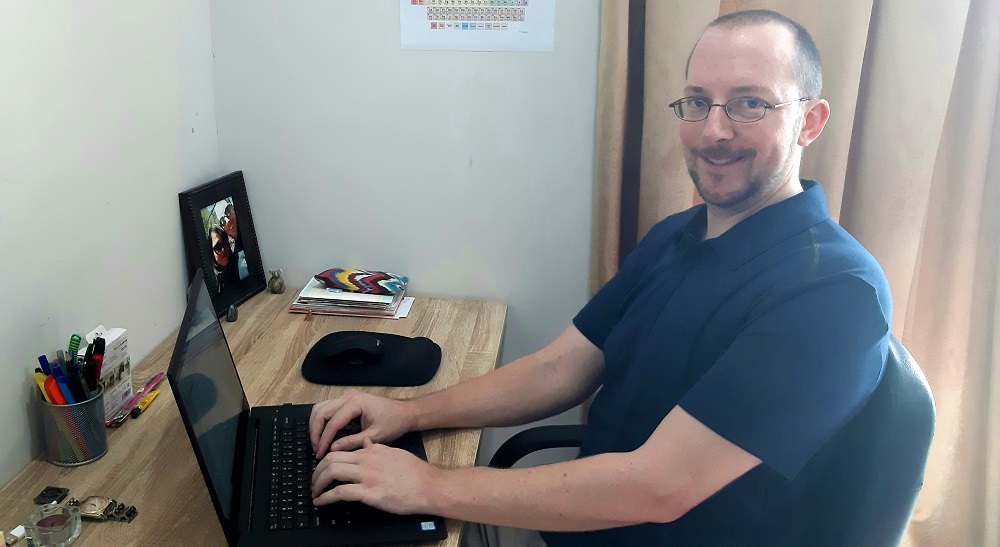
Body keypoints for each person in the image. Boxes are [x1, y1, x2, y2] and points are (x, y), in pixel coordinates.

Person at [308, 9, 892, 546]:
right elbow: (564, 366)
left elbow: (660, 486)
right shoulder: (679, 235)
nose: (714, 130)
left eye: (749, 104)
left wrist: (428, 485)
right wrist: (410, 414)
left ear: (810, 122)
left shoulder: (834, 294)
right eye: (697, 101)